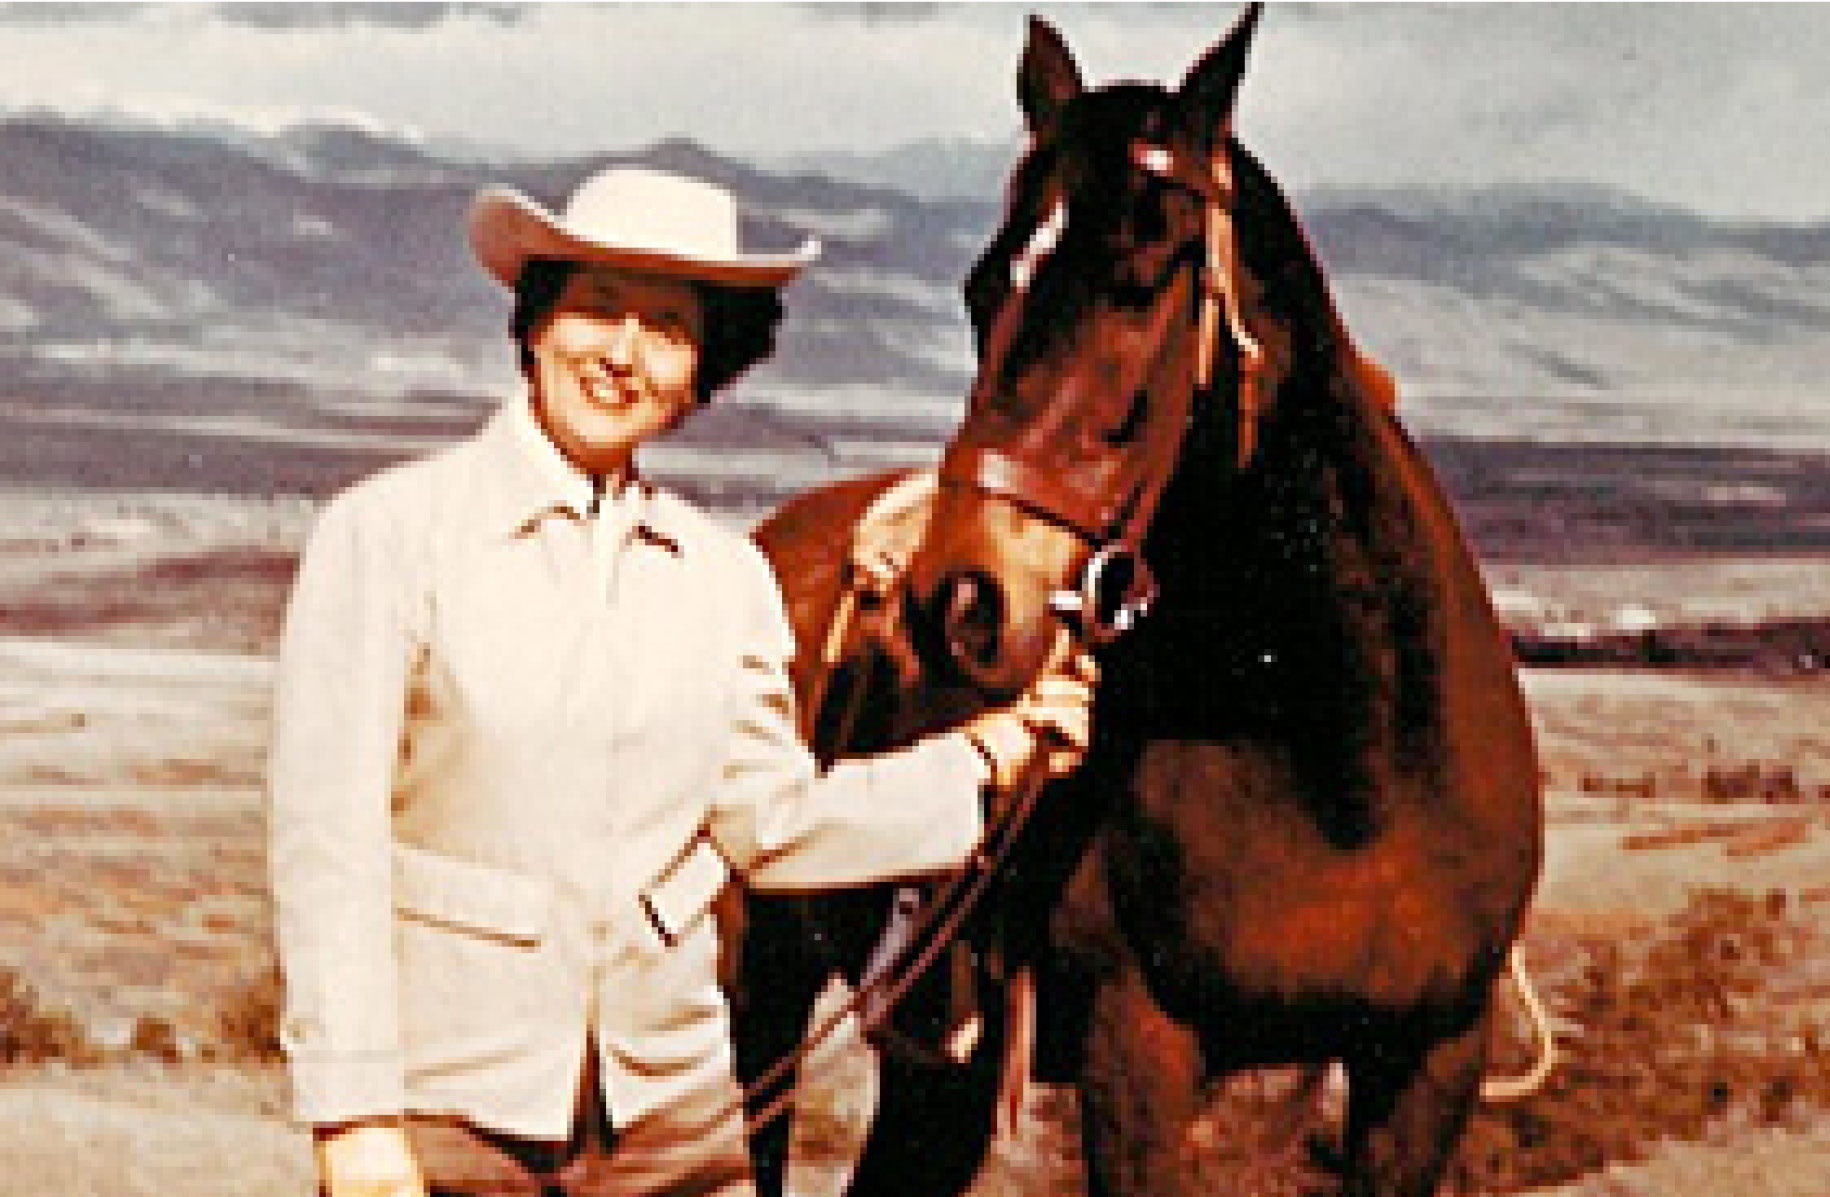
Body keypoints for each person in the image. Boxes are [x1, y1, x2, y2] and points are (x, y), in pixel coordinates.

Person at [266, 164, 1097, 1197]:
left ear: (705, 370)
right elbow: (326, 847)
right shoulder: (388, 537)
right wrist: (353, 1117)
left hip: (673, 1124)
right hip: (452, 1119)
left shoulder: (722, 576)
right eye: (597, 309)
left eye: (667, 329)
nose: (623, 354)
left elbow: (773, 822)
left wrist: (988, 754)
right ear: (535, 322)